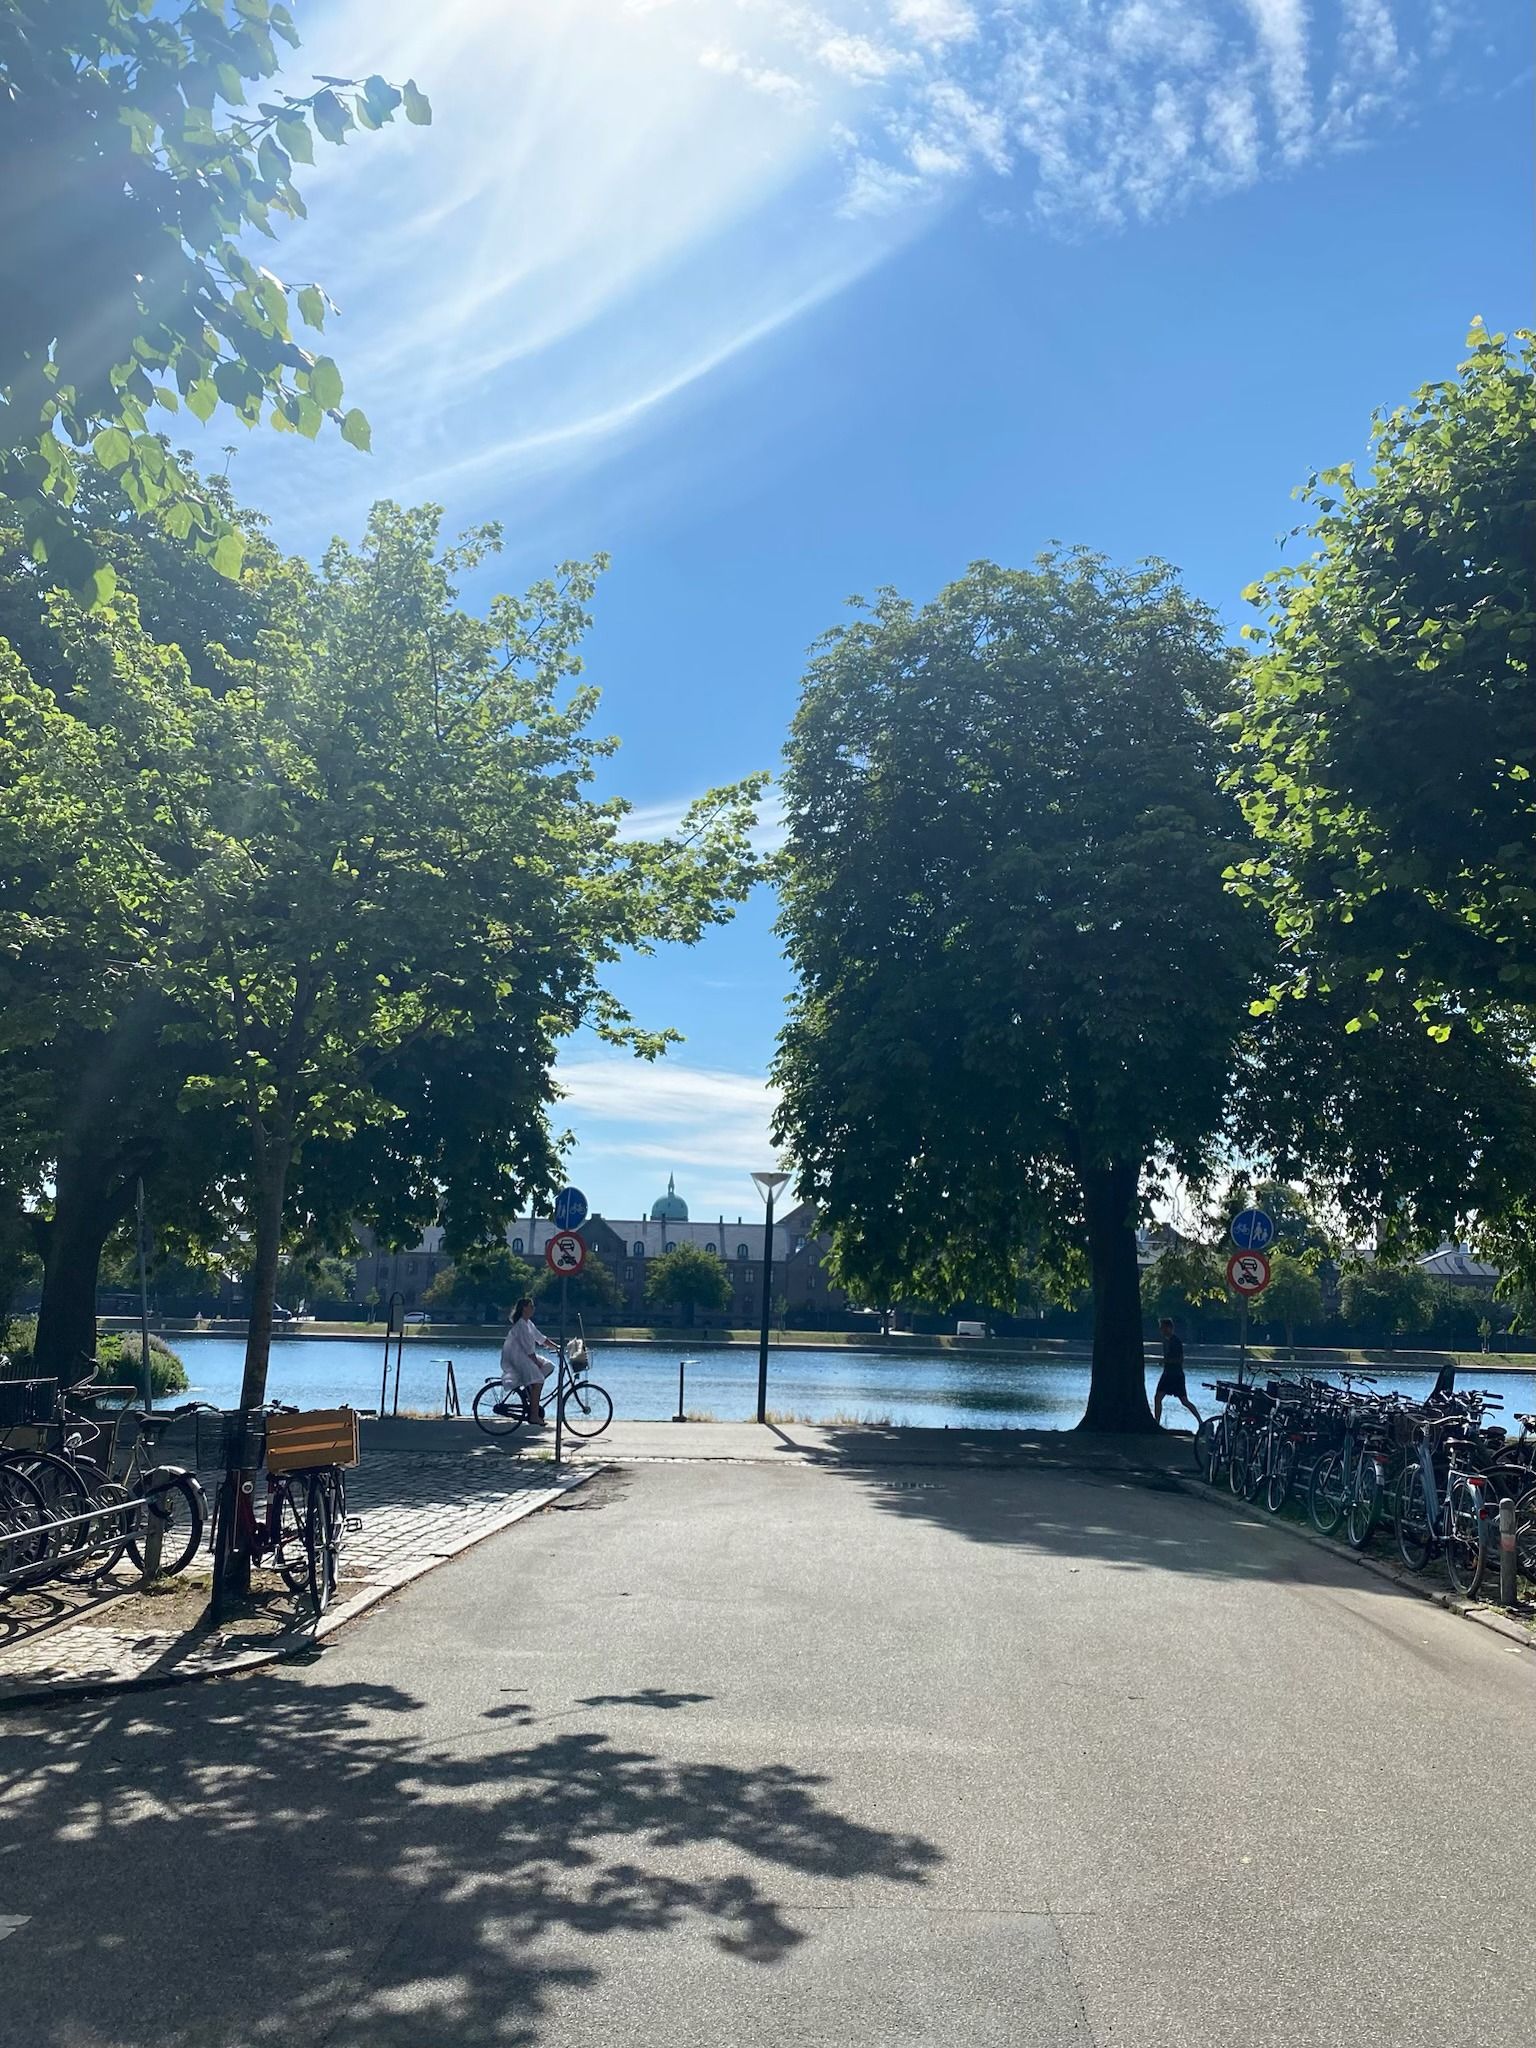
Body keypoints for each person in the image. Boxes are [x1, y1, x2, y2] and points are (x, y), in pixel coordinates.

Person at [497, 1298, 559, 1422]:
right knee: (539, 1380)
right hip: (517, 1357)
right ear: (524, 1308)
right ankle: (534, 1416)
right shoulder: (520, 1325)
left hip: (525, 1355)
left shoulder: (528, 1323)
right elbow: (528, 1349)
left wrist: (557, 1346)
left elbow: (540, 1338)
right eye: (531, 1306)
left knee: (549, 1366)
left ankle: (529, 1389)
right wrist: (536, 1362)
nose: (533, 1309)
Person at [1155, 1316, 1201, 1431]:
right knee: (1158, 1398)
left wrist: (1165, 1361)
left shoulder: (1175, 1341)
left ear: (1169, 1328)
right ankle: (1156, 1423)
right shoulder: (1166, 1341)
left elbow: (1179, 1360)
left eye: (1163, 1327)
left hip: (1175, 1375)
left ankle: (1201, 1422)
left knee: (1184, 1401)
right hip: (1167, 1373)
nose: (1161, 1330)